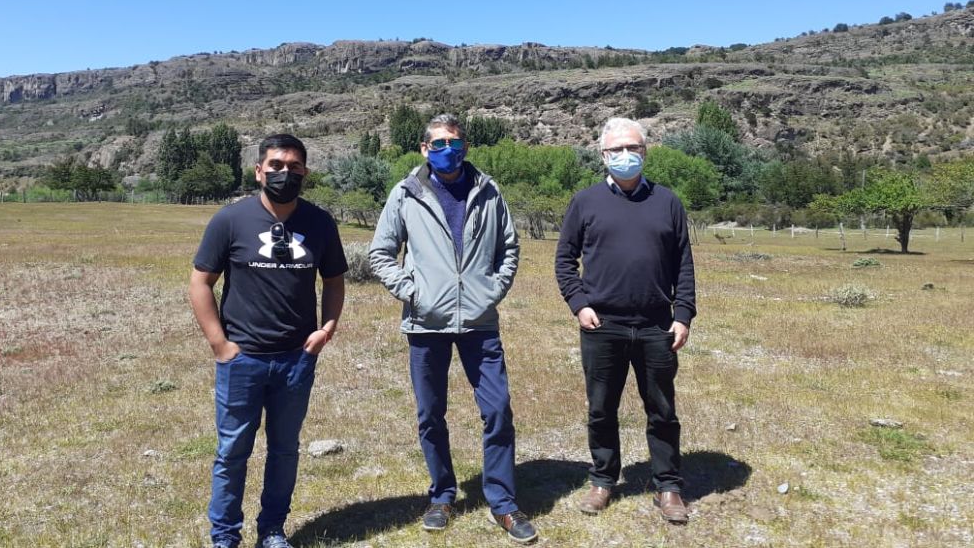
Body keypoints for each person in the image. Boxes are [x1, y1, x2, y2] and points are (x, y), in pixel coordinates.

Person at [369, 113, 539, 544]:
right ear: (424, 148)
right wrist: (412, 292)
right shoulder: (406, 193)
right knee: (431, 414)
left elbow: (509, 248)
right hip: (426, 324)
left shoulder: (489, 190)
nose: (449, 149)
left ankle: (502, 501)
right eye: (440, 143)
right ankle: (443, 495)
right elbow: (381, 253)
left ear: (465, 146)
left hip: (480, 323)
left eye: (456, 142)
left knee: (497, 410)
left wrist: (492, 291)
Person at [189, 133, 347, 548]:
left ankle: (273, 531)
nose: (284, 173)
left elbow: (333, 280)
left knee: (284, 451)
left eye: (294, 167)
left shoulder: (319, 222)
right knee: (232, 453)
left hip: (296, 359)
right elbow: (201, 282)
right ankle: (224, 537)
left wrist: (326, 329)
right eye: (275, 166)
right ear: (259, 170)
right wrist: (219, 345)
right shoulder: (230, 220)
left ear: (305, 173)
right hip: (243, 359)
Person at [554, 117, 696, 525]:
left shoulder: (668, 202)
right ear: (602, 155)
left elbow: (683, 265)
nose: (625, 156)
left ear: (645, 152)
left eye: (632, 148)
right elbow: (565, 261)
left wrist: (682, 314)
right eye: (616, 150)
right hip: (603, 325)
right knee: (601, 409)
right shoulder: (585, 202)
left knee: (662, 409)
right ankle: (603, 480)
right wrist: (579, 304)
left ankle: (668, 486)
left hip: (656, 325)